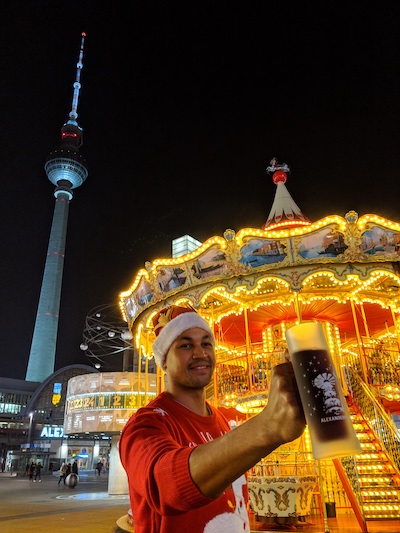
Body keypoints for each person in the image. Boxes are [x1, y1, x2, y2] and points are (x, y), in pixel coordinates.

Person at [119, 305, 306, 533]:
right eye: (186, 345)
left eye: (206, 343)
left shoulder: (221, 421)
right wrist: (267, 427)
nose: (200, 353)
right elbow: (164, 486)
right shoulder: (145, 425)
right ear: (164, 360)